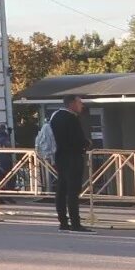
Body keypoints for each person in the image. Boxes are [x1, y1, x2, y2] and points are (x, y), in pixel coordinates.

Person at [48, 95, 93, 233]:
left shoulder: (55, 116)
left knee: (61, 190)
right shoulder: (71, 118)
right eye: (80, 103)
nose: (82, 105)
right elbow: (77, 140)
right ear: (72, 103)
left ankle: (63, 221)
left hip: (60, 157)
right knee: (73, 191)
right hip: (73, 157)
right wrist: (87, 143)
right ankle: (75, 223)